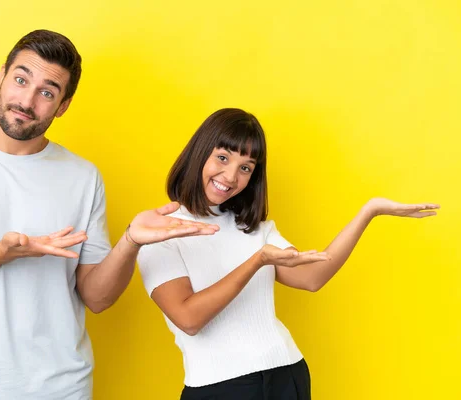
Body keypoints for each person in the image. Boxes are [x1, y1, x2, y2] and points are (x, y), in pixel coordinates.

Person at [0, 29, 218, 400]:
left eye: (47, 92)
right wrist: (2, 253)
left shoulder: (83, 176)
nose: (26, 100)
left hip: (64, 389)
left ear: (63, 105)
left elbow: (97, 297)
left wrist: (130, 241)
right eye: (21, 79)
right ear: (1, 76)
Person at [137, 108, 439, 400]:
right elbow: (188, 319)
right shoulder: (158, 232)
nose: (230, 176)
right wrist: (257, 261)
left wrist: (368, 211)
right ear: (200, 153)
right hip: (218, 388)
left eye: (245, 168)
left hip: (287, 374)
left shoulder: (255, 228)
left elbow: (312, 277)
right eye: (222, 158)